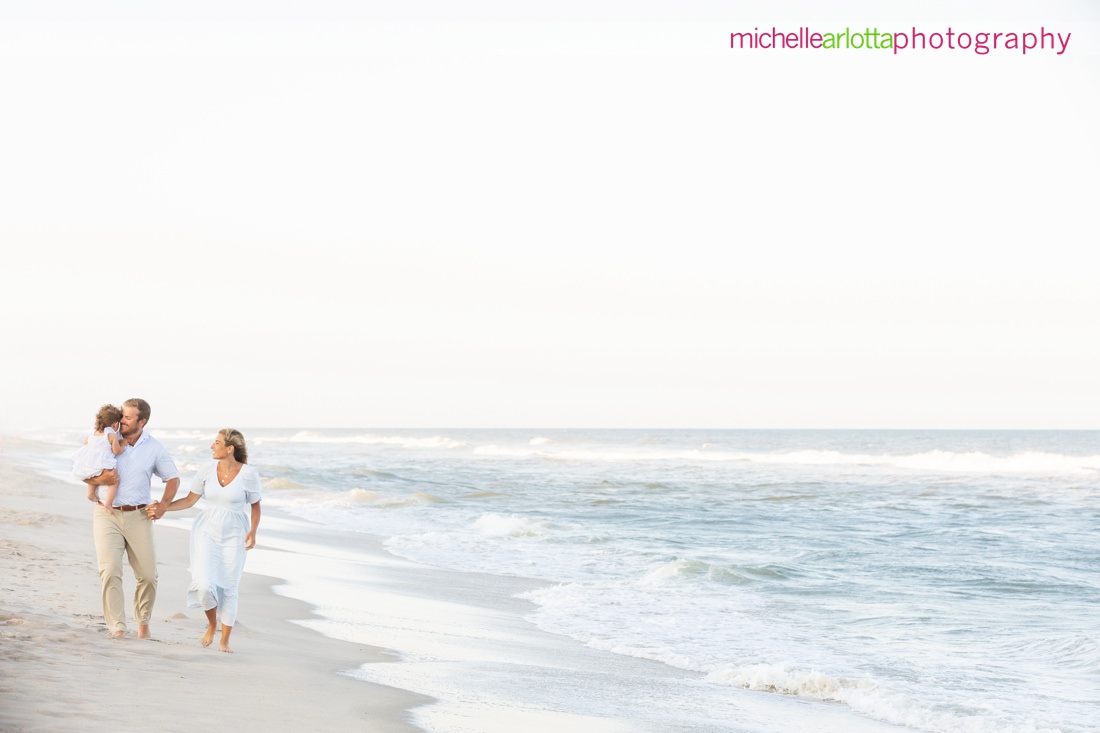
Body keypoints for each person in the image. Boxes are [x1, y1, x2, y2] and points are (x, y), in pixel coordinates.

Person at [153, 428, 261, 653]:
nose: (212, 446)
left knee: (229, 587)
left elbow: (255, 504)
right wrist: (163, 508)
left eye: (217, 443)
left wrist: (253, 531)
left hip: (234, 534)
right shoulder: (206, 470)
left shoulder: (249, 474)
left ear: (229, 448)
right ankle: (212, 624)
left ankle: (224, 641)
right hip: (206, 532)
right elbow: (190, 500)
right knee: (203, 584)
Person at [85, 398, 180, 639]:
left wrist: (163, 506)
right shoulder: (107, 440)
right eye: (121, 416)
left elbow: (172, 478)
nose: (121, 421)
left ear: (142, 421)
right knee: (110, 570)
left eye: (127, 417)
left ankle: (143, 622)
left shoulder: (154, 448)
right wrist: (99, 481)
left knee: (148, 575)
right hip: (107, 514)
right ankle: (117, 626)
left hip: (139, 515)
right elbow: (85, 471)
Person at [73, 404, 125, 513]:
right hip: (104, 462)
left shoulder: (93, 433)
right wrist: (123, 444)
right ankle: (108, 503)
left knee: (93, 474)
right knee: (114, 481)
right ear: (115, 424)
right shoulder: (111, 435)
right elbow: (117, 451)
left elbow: (85, 442)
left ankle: (91, 494)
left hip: (91, 462)